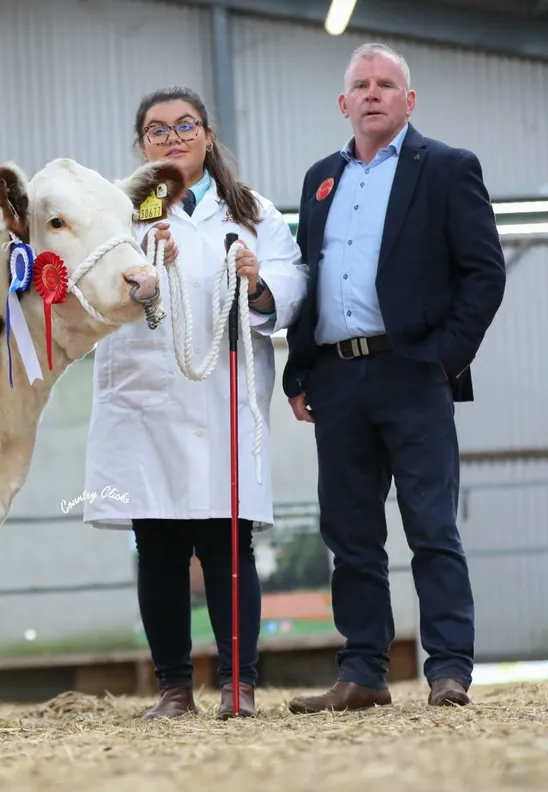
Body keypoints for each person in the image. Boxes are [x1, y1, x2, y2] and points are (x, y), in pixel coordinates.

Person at [281, 43, 506, 713]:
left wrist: (444, 358)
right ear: (344, 103)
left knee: (431, 524)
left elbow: (483, 272)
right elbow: (309, 276)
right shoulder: (321, 178)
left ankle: (448, 669)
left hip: (414, 374)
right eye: (362, 84)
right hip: (337, 378)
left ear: (409, 101)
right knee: (348, 533)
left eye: (387, 84)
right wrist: (300, 369)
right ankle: (363, 671)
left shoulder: (446, 168)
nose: (373, 93)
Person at [82, 86, 309, 719]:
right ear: (141, 145)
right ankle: (175, 689)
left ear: (208, 135)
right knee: (157, 544)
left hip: (222, 399)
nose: (174, 137)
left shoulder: (251, 209)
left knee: (227, 543)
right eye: (158, 130)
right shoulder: (122, 213)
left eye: (186, 126)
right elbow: (91, 291)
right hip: (148, 402)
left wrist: (257, 281)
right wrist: (141, 286)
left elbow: (293, 279)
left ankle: (239, 684)